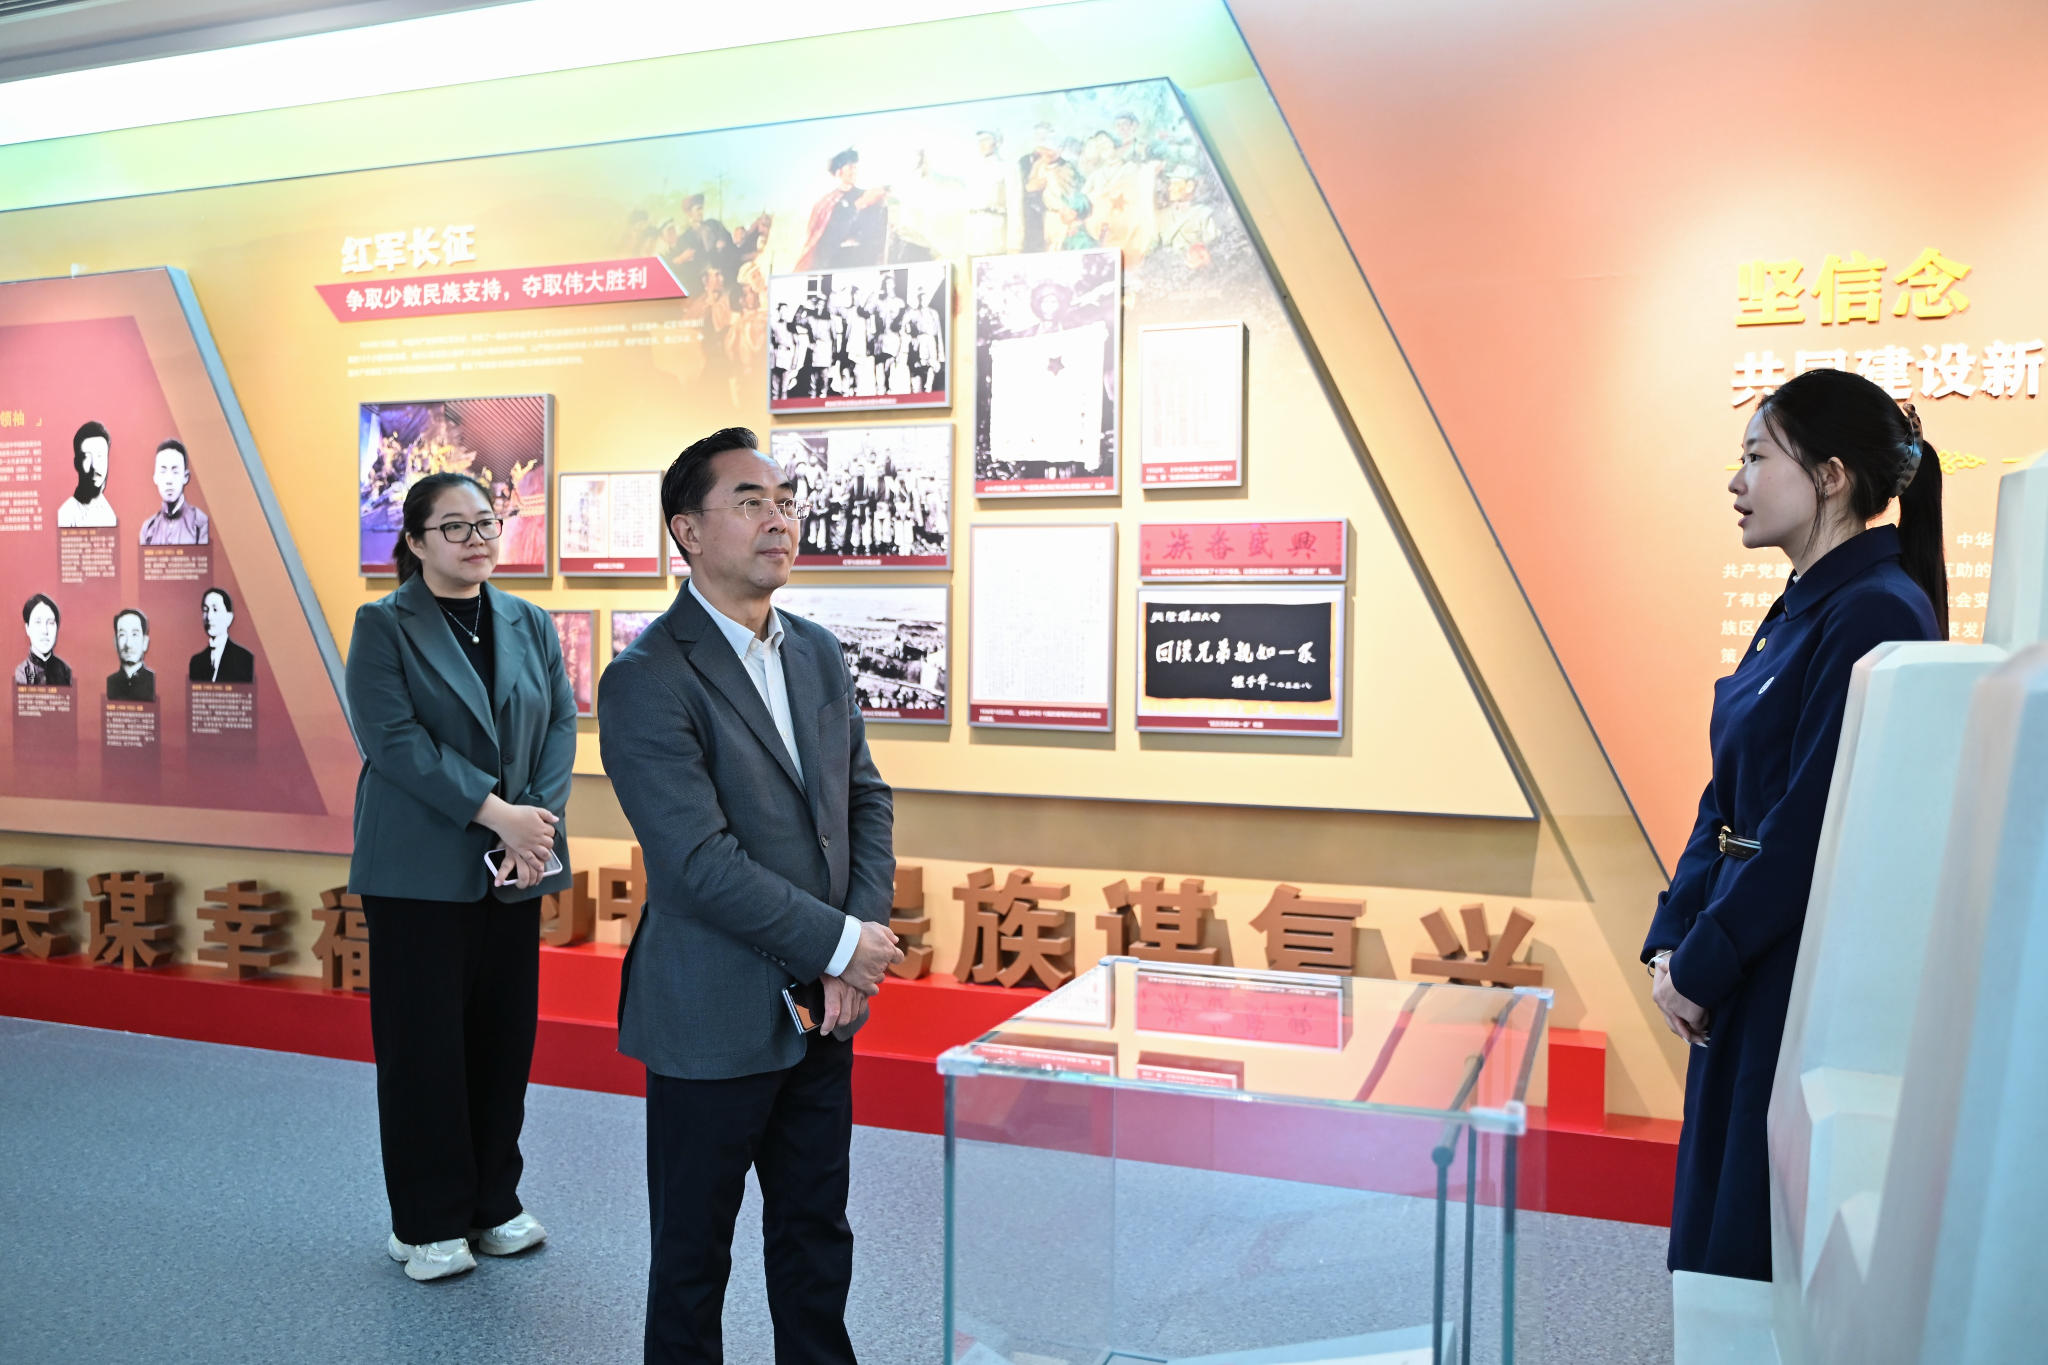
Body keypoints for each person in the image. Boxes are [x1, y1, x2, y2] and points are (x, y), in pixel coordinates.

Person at [599, 426, 902, 1363]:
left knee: (817, 1234)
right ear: (687, 531)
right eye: (750, 501)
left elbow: (864, 798)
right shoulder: (647, 678)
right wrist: (841, 945)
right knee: (694, 1257)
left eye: (786, 500)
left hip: (825, 1007)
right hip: (712, 1011)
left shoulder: (816, 651)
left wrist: (856, 943)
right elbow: (699, 863)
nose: (780, 518)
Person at [1642, 369, 1945, 1281]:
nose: (1737, 482)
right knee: (1715, 1217)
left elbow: (1810, 825)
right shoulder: (1800, 604)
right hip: (1740, 949)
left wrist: (1704, 961)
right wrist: (1674, 938)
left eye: (1756, 458)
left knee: (1750, 1234)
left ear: (1831, 476)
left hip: (1789, 964)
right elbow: (1727, 796)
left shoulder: (1876, 609)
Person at [344, 470, 577, 1283]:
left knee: (503, 1040)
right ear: (415, 540)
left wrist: (534, 824)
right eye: (454, 527)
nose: (476, 539)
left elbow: (560, 723)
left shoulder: (528, 621)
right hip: (417, 867)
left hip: (515, 863)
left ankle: (493, 1204)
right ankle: (428, 1222)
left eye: (485, 523)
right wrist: (498, 813)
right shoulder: (384, 625)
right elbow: (393, 740)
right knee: (424, 1049)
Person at [139, 440, 210, 545]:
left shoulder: (200, 523)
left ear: (185, 477)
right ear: (155, 477)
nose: (169, 480)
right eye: (163, 471)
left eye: (175, 471)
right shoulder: (148, 529)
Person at [187, 587, 255, 684]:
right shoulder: (196, 661)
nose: (209, 617)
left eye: (215, 609)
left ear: (229, 618)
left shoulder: (244, 658)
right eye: (205, 610)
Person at [57, 422, 116, 528]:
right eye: (87, 457)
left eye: (100, 455)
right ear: (76, 463)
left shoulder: (109, 515)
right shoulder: (66, 515)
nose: (94, 465)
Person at [15, 594, 71, 686]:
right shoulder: (20, 674)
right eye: (38, 622)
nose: (45, 631)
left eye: (51, 623)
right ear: (27, 628)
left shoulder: (65, 671)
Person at [107, 608, 154, 701]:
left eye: (135, 634)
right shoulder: (111, 682)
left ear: (145, 642)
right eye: (122, 635)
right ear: (115, 642)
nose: (128, 644)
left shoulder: (152, 679)